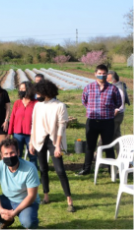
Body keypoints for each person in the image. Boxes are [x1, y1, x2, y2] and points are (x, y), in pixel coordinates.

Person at [30, 80, 75, 212]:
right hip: (39, 140)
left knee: (60, 170)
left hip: (54, 141)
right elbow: (34, 125)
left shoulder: (60, 106)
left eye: (39, 92)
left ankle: (69, 201)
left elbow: (62, 126)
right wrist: (31, 142)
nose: (37, 95)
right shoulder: (38, 106)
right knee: (43, 169)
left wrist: (58, 146)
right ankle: (46, 196)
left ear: (46, 92)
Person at [0, 138, 40, 230]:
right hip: (7, 199)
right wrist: (0, 210)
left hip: (26, 201)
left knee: (28, 222)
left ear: (18, 152)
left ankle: (29, 224)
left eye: (12, 153)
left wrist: (14, 212)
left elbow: (31, 195)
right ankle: (5, 220)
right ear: (1, 156)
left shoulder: (30, 168)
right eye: (6, 154)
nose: (9, 156)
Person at [77, 64, 122, 176]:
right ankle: (86, 169)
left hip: (107, 122)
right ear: (95, 74)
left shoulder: (113, 88)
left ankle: (111, 170)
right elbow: (84, 101)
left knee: (108, 146)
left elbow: (118, 102)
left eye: (104, 74)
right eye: (99, 73)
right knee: (90, 146)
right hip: (92, 121)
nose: (101, 75)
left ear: (107, 74)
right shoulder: (88, 87)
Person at [8, 81, 38, 168]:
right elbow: (12, 118)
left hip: (31, 135)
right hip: (17, 134)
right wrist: (9, 133)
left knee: (32, 155)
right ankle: (18, 173)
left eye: (23, 89)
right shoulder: (17, 103)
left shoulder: (36, 103)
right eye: (20, 89)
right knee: (17, 155)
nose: (21, 91)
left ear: (29, 90)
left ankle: (33, 175)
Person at [104, 70, 129, 154]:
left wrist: (110, 116)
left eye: (108, 79)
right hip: (114, 116)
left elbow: (119, 106)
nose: (106, 80)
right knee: (117, 137)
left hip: (115, 116)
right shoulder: (115, 87)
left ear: (113, 80)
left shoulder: (118, 89)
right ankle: (122, 155)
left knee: (106, 136)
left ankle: (97, 156)